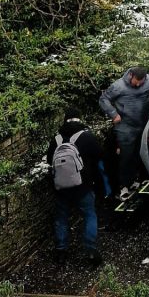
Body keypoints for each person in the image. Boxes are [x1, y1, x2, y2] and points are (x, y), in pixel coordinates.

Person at [46, 108, 105, 264]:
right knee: (89, 215)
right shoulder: (87, 137)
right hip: (83, 186)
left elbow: (48, 160)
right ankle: (90, 250)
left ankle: (61, 251)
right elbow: (100, 155)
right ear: (79, 119)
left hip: (60, 187)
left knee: (61, 218)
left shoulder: (57, 139)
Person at [98, 65, 149, 194]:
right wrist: (113, 114)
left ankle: (143, 178)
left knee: (143, 151)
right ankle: (124, 185)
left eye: (140, 83)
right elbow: (104, 99)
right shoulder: (118, 86)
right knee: (126, 156)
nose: (138, 85)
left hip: (144, 123)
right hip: (125, 126)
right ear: (131, 76)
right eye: (136, 82)